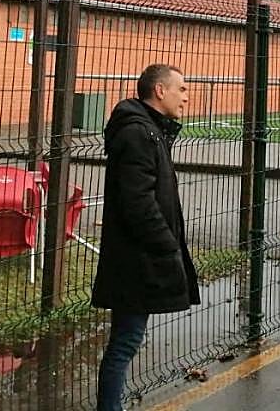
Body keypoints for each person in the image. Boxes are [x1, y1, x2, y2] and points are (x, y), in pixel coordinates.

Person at [92, 63, 199, 411]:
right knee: (125, 342)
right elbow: (138, 201)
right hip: (135, 258)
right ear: (160, 91)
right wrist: (166, 244)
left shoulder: (149, 130)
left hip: (139, 255)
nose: (186, 96)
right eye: (181, 89)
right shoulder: (138, 133)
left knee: (126, 338)